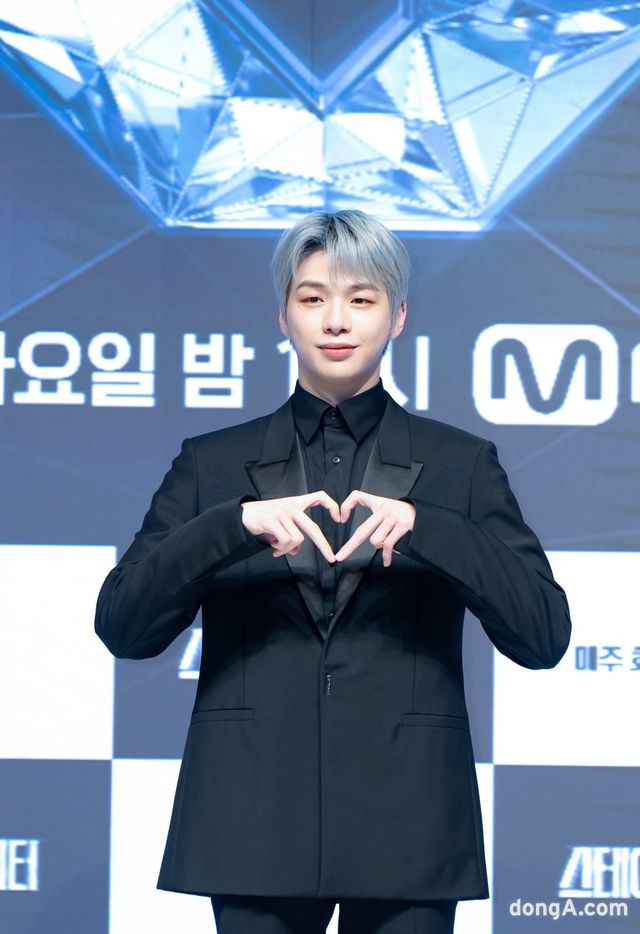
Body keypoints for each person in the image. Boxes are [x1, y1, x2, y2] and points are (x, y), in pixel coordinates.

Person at [94, 210, 572, 934]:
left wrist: (431, 527)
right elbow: (124, 626)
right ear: (283, 316)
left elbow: (543, 635)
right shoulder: (211, 464)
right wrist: (232, 525)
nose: (336, 320)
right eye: (313, 297)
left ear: (398, 316)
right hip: (253, 813)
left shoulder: (461, 465)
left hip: (409, 817)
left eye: (361, 298)